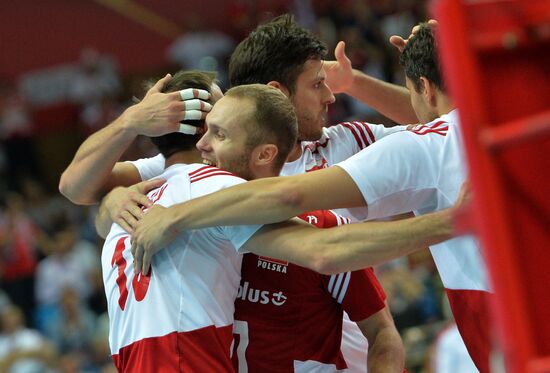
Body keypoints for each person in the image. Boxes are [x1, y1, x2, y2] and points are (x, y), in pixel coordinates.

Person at [131, 23, 491, 373]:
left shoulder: (346, 142)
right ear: (279, 91)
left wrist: (174, 215)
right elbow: (83, 187)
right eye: (318, 84)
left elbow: (432, 127)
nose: (331, 95)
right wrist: (119, 191)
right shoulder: (206, 169)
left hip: (355, 355)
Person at [95, 70, 405, 371]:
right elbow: (76, 188)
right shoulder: (173, 196)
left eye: (219, 134)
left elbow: (380, 331)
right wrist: (110, 203)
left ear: (262, 154)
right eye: (205, 131)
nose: (203, 146)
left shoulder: (317, 221)